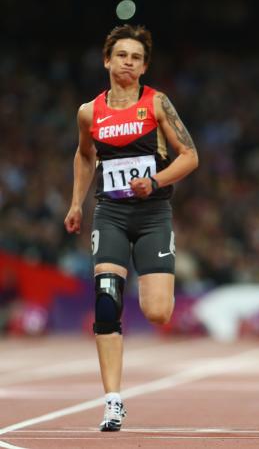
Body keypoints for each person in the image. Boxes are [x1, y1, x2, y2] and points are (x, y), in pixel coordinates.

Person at [64, 24, 199, 430]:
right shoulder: (89, 112)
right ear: (107, 60)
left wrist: (156, 181)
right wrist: (75, 203)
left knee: (157, 312)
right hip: (111, 213)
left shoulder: (157, 104)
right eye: (122, 55)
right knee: (107, 302)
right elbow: (85, 156)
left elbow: (190, 156)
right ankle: (112, 401)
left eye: (137, 58)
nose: (129, 62)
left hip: (154, 213)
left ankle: (150, 300)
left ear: (144, 68)